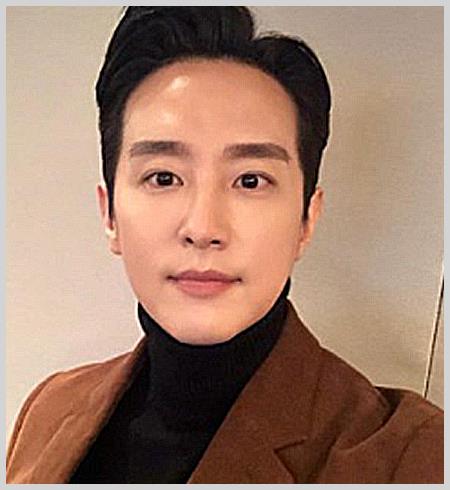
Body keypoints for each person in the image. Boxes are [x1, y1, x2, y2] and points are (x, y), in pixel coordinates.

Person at [6, 6, 443, 484]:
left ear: (306, 219)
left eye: (250, 180)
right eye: (164, 177)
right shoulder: (50, 409)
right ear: (109, 213)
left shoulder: (411, 454)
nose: (203, 227)